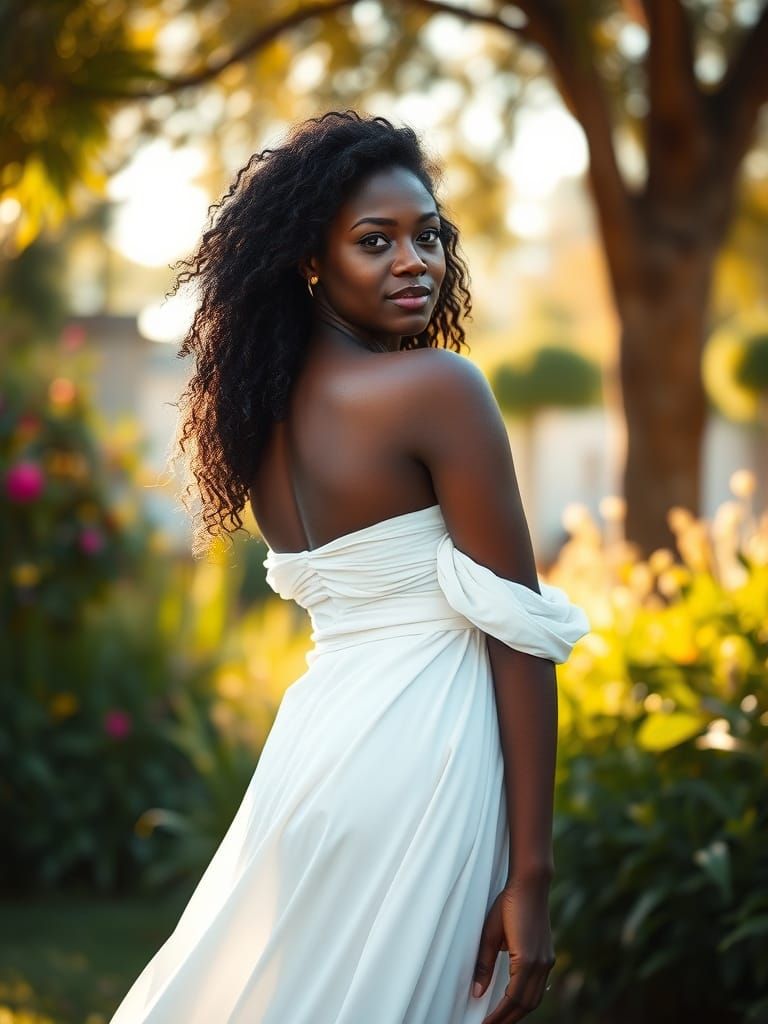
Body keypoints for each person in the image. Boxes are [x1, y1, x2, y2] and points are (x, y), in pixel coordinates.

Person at [110, 109, 590, 1024]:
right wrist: (532, 873)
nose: (416, 261)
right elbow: (520, 636)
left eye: (429, 236)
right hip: (430, 755)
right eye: (377, 241)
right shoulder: (440, 390)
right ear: (310, 260)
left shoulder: (258, 420)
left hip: (318, 754)